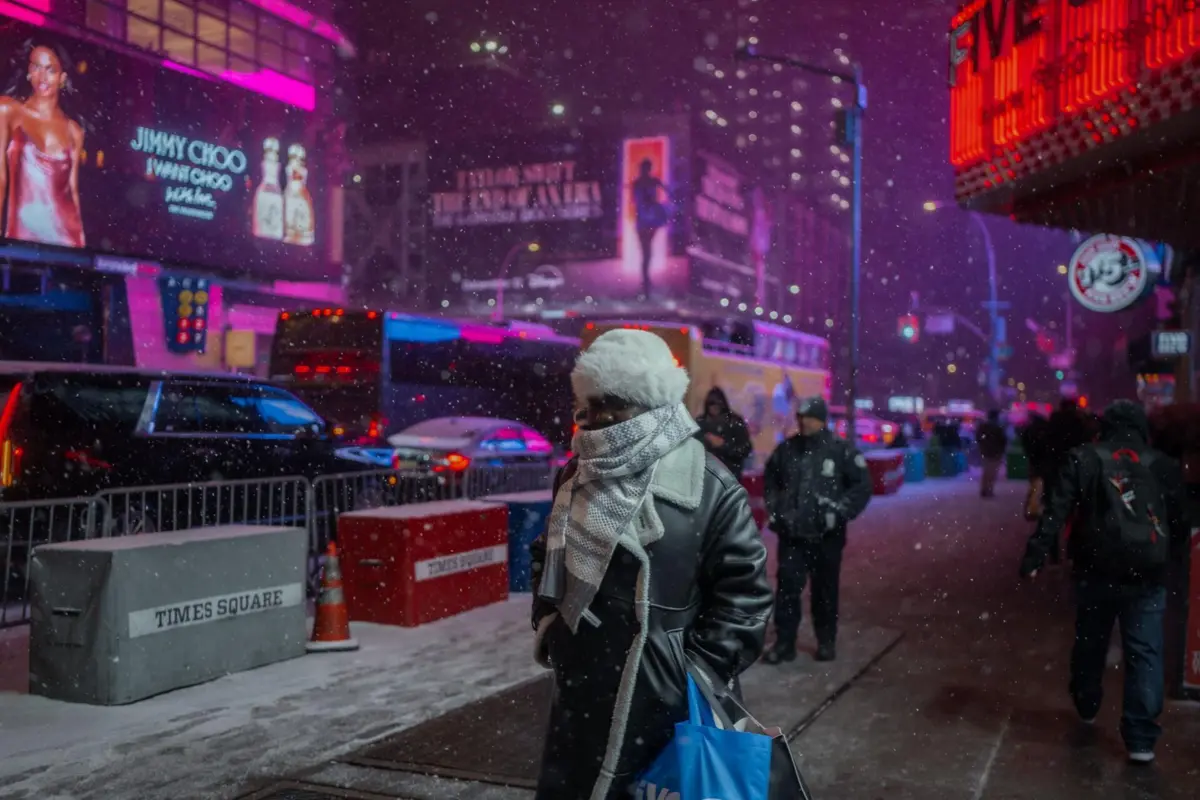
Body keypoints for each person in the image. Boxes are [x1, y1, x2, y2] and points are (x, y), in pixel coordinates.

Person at [529, 328, 772, 799]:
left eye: (613, 404)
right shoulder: (577, 471)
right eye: (591, 405)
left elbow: (746, 599)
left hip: (665, 698)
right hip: (581, 685)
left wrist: (690, 669)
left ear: (651, 404)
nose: (597, 419)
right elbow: (548, 552)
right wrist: (549, 624)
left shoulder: (708, 485)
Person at [1020, 400, 1188, 765]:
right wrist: (1167, 560)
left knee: (1091, 640)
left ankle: (1087, 701)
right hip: (1147, 574)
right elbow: (1180, 520)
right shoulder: (1162, 464)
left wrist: (1036, 556)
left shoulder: (1084, 458)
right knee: (1145, 651)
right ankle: (1141, 738)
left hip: (1095, 569)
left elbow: (1057, 509)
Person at [762, 396, 872, 664]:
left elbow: (861, 487)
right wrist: (777, 512)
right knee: (787, 590)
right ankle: (785, 643)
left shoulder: (840, 450)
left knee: (825, 591)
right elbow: (770, 482)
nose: (803, 421)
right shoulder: (786, 450)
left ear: (821, 420)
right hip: (793, 536)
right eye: (800, 416)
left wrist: (839, 512)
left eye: (809, 417)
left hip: (827, 538)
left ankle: (826, 641)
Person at [0, 40, 86, 247]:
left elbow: (73, 190)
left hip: (66, 239)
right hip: (21, 237)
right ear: (29, 71)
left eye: (50, 70)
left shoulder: (74, 130)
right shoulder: (9, 111)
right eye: (36, 67)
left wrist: (82, 245)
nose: (42, 77)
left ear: (62, 78)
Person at [694, 386, 754, 479]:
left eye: (718, 403)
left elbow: (745, 449)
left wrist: (723, 445)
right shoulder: (701, 423)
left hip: (728, 477)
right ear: (707, 404)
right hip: (705, 477)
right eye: (711, 403)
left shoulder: (734, 422)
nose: (715, 407)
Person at [631, 158, 668, 298]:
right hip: (647, 219)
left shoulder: (643, 183)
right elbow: (637, 200)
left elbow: (636, 200)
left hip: (647, 220)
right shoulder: (647, 182)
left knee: (646, 252)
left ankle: (646, 283)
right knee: (646, 253)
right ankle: (646, 284)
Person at [977, 409, 1009, 498]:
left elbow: (979, 438)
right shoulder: (998, 427)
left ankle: (984, 489)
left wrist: (982, 446)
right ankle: (989, 489)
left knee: (986, 471)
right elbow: (1003, 440)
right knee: (992, 473)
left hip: (986, 451)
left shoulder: (983, 426)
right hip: (996, 453)